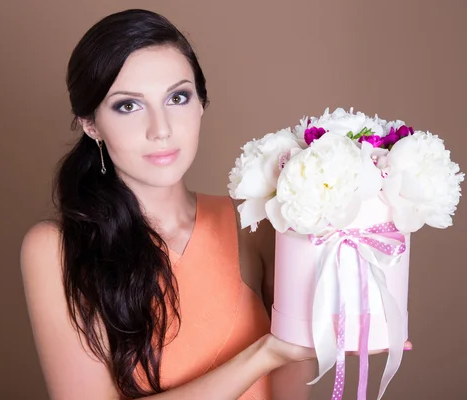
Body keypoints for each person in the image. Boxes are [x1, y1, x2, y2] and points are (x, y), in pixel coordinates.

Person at [21, 8, 407, 400]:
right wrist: (265, 354)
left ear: (201, 103)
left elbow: (290, 389)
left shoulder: (256, 223)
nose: (161, 129)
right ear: (91, 124)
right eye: (128, 105)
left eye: (177, 97)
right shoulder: (55, 248)